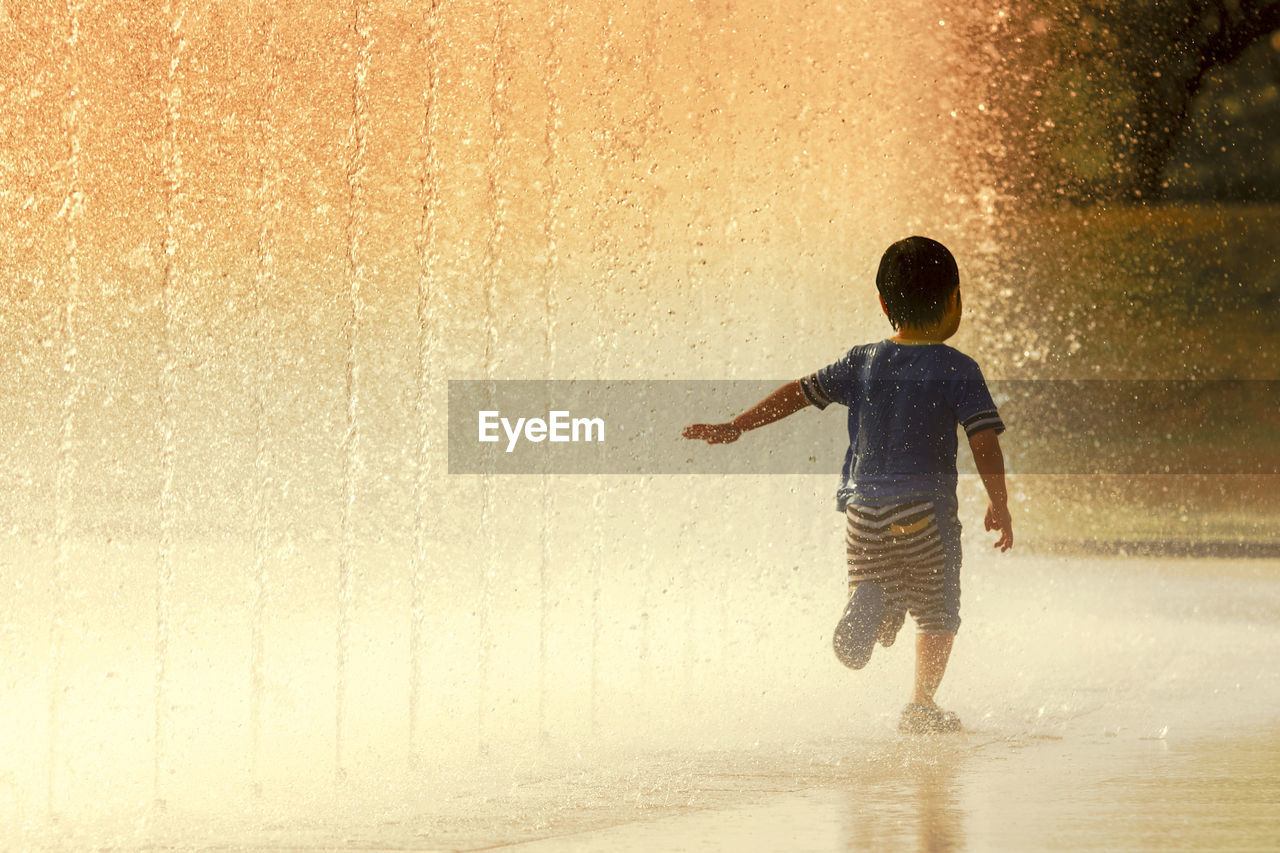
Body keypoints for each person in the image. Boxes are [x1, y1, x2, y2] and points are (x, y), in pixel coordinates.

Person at [683, 236, 1013, 734]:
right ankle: (921, 705)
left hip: (863, 511)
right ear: (954, 301)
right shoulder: (957, 368)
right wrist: (999, 502)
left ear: (884, 303)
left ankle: (872, 601)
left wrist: (738, 425)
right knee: (938, 609)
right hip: (925, 512)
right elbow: (984, 440)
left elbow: (798, 393)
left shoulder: (862, 361)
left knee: (881, 579)